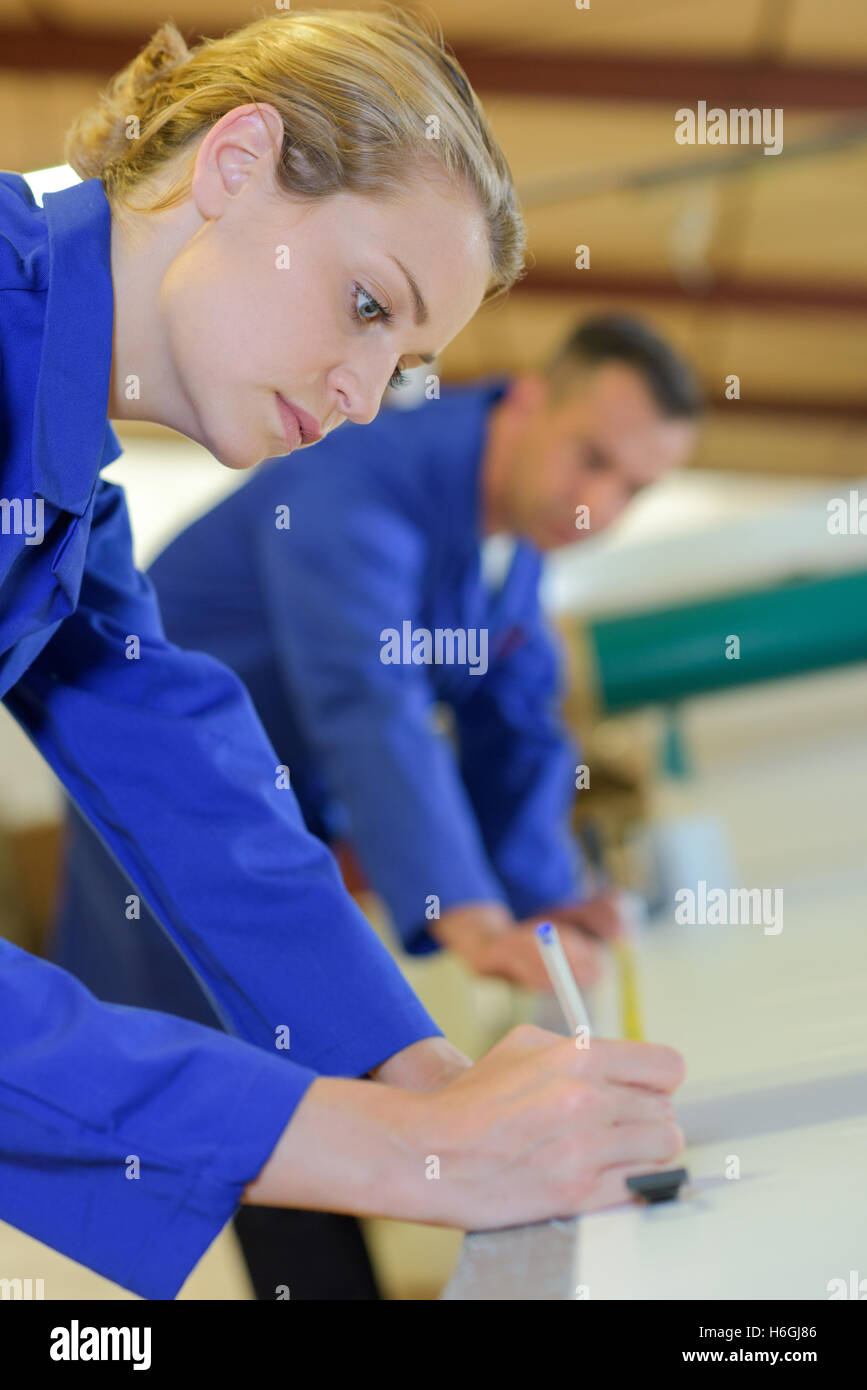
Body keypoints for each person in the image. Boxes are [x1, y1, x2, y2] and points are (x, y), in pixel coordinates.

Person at [0, 10, 685, 1302]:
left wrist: (421, 1075)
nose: (364, 394)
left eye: (404, 357)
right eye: (366, 304)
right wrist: (402, 1147)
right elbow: (358, 698)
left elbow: (181, 761)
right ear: (235, 161)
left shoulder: (65, 469)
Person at [55, 312, 700, 1296]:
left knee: (338, 1069)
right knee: (242, 1090)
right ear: (528, 399)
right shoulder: (356, 476)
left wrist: (542, 896)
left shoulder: (508, 544)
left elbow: (515, 720)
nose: (597, 506)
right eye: (593, 459)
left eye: (635, 489)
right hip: (168, 828)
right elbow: (370, 698)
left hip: (281, 823)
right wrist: (468, 910)